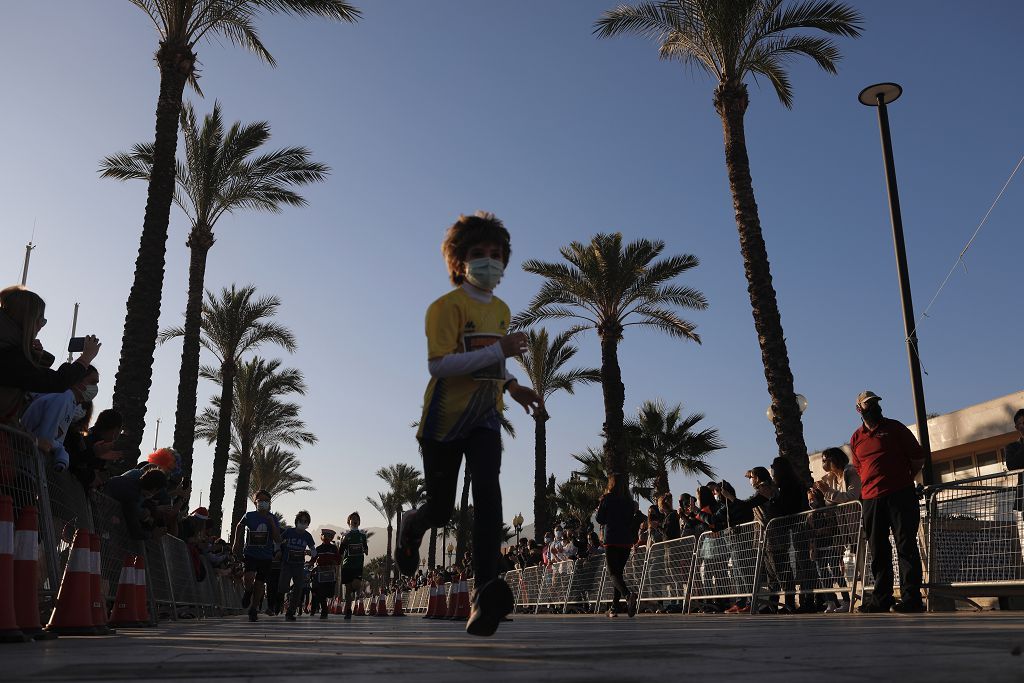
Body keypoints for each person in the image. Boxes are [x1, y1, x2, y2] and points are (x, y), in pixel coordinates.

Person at [394, 212, 543, 637]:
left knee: (490, 495)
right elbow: (440, 365)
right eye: (479, 254)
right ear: (459, 262)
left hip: (484, 419)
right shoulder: (444, 308)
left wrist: (513, 386)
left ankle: (484, 595)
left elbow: (490, 364)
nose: (489, 262)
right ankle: (413, 524)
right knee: (441, 510)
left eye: (497, 255)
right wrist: (502, 351)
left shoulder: (502, 309)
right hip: (442, 423)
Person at [849, 390, 926, 613]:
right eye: (868, 404)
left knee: (906, 546)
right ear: (859, 409)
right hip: (872, 500)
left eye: (875, 403)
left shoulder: (895, 428)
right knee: (878, 549)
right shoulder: (856, 438)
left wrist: (901, 478)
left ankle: (911, 598)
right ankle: (882, 598)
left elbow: (918, 459)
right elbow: (859, 468)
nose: (873, 406)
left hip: (900, 495)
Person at [0, 286, 100, 422]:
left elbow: (24, 376)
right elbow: (56, 382)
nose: (41, 326)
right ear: (28, 320)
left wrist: (32, 356)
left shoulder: (8, 346)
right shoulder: (9, 355)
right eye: (41, 320)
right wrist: (85, 358)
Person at [21, 365, 99, 472]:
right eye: (93, 382)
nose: (95, 388)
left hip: (32, 464)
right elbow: (46, 440)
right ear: (78, 381)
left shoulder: (70, 402)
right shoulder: (63, 399)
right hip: (25, 463)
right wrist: (61, 451)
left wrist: (61, 451)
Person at [233, 489, 282, 622]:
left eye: (266, 501)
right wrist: (237, 542)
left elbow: (278, 539)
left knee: (260, 583)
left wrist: (272, 524)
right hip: (250, 553)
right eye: (260, 500)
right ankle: (248, 592)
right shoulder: (249, 515)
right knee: (248, 577)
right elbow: (239, 526)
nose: (263, 503)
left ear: (269, 503)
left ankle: (253, 608)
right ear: (255, 502)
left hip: (266, 556)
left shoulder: (273, 518)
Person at [596, 475, 637, 618]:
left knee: (613, 573)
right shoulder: (630, 502)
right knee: (618, 574)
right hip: (626, 540)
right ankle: (614, 608)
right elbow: (630, 521)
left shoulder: (607, 498)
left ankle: (627, 595)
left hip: (612, 539)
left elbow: (600, 519)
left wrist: (600, 506)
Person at [103, 467, 168, 539]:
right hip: (101, 520)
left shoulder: (130, 483)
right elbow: (135, 531)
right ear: (155, 489)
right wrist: (152, 535)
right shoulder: (132, 495)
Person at [279, 510, 316, 621]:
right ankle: (280, 601)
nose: (303, 523)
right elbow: (278, 541)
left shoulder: (308, 536)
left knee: (298, 588)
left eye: (305, 521)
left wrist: (310, 552)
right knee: (283, 586)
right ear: (296, 521)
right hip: (287, 563)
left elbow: (314, 551)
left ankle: (290, 612)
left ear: (308, 524)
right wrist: (278, 550)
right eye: (301, 520)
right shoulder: (289, 532)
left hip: (299, 565)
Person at [339, 512, 369, 619]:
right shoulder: (345, 536)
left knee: (356, 585)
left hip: (357, 566)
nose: (355, 520)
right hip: (347, 566)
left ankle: (353, 590)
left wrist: (364, 550)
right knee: (348, 591)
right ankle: (348, 611)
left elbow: (366, 550)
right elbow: (341, 551)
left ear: (359, 522)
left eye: (357, 519)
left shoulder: (362, 536)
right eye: (353, 519)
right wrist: (344, 542)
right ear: (349, 522)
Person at [310, 528, 340, 619]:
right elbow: (313, 559)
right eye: (324, 535)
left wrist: (334, 562)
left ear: (331, 538)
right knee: (320, 592)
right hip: (320, 573)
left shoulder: (334, 548)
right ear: (321, 537)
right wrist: (310, 564)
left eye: (329, 536)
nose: (326, 537)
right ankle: (324, 610)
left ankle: (324, 608)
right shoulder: (318, 548)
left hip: (331, 573)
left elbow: (338, 559)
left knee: (329, 592)